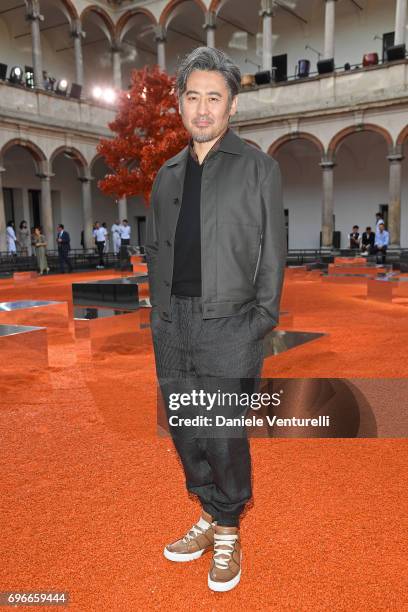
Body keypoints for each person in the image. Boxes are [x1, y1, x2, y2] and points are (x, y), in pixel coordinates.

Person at [145, 47, 286, 593]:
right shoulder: (166, 174)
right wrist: (158, 317)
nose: (202, 109)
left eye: (215, 98)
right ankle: (207, 513)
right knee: (185, 428)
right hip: (171, 324)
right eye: (193, 96)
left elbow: (273, 252)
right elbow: (157, 248)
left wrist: (261, 320)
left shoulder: (260, 168)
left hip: (230, 323)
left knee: (224, 432)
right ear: (180, 103)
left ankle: (228, 527)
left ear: (231, 107)